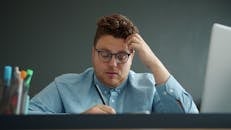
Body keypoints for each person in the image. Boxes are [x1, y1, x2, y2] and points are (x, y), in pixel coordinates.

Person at [29, 14, 199, 114]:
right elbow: (24, 119)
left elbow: (191, 121)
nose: (112, 63)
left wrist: (154, 62)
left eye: (122, 56)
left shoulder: (150, 87)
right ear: (93, 52)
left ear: (132, 57)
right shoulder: (64, 86)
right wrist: (77, 122)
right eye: (104, 54)